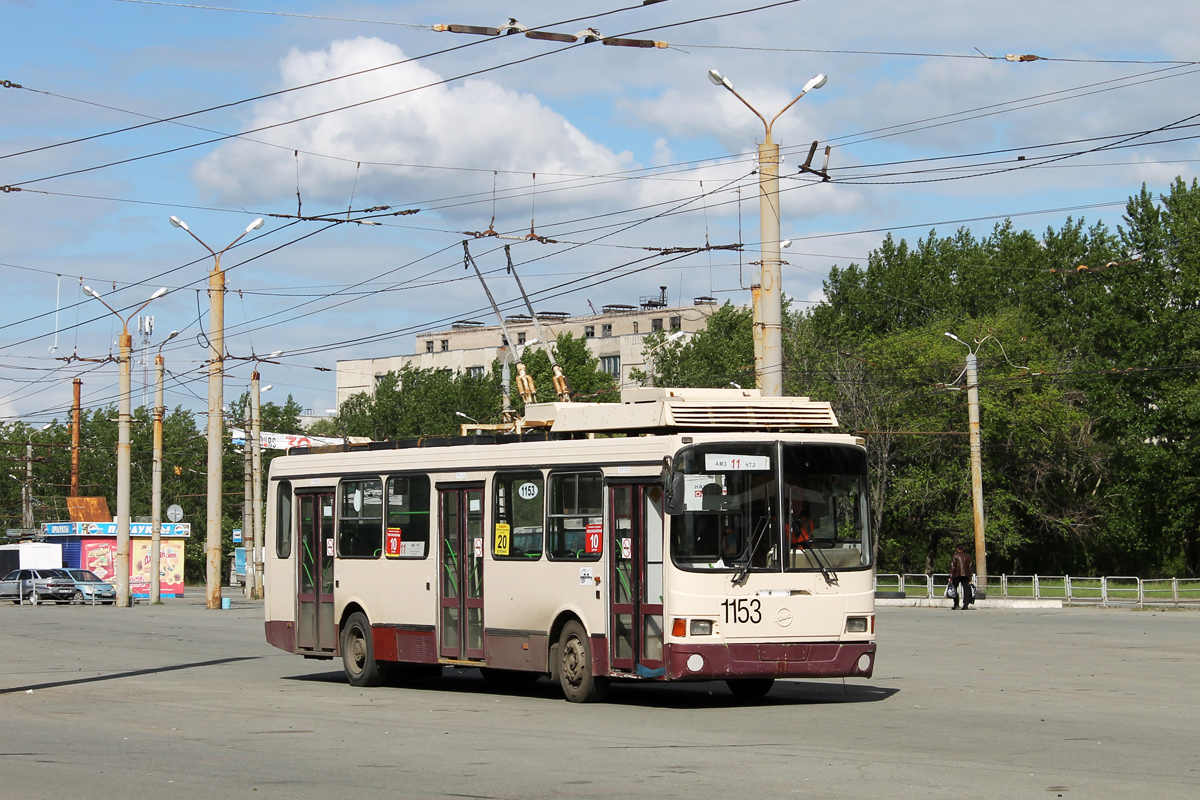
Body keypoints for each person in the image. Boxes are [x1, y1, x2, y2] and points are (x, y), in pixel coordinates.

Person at [950, 542, 975, 610]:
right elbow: (970, 567)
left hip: (956, 575)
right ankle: (965, 604)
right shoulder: (968, 556)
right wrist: (970, 577)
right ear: (963, 549)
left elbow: (953, 567)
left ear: (957, 549)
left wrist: (951, 576)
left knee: (954, 589)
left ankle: (956, 604)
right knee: (966, 589)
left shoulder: (955, 556)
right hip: (966, 575)